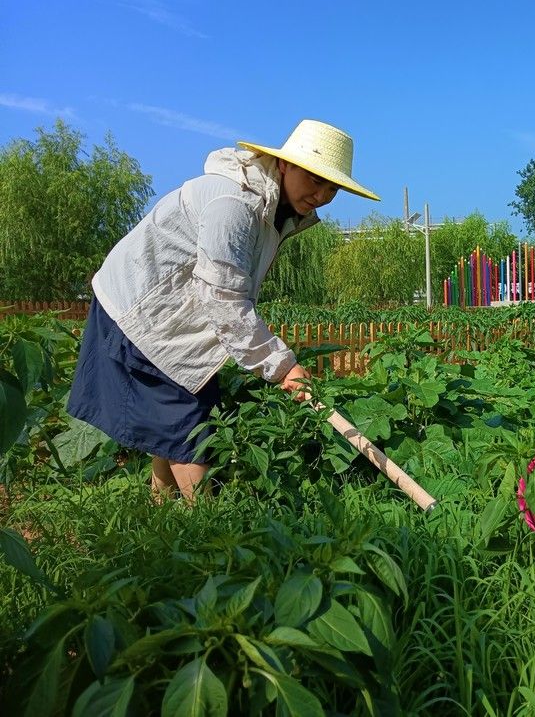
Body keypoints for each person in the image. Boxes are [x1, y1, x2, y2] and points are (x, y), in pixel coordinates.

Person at [67, 119, 380, 501]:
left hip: (174, 319)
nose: (322, 195)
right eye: (315, 181)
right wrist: (281, 364)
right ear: (284, 164)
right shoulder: (234, 203)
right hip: (141, 311)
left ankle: (160, 513)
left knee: (183, 420)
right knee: (190, 429)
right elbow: (225, 297)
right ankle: (210, 536)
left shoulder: (275, 210)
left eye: (332, 188)